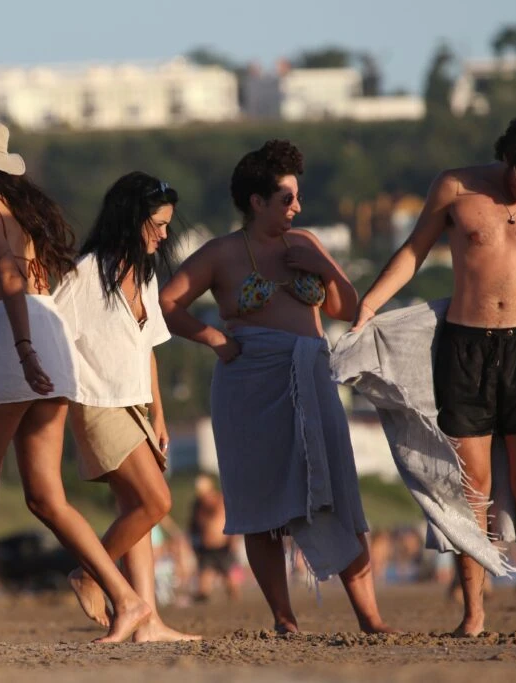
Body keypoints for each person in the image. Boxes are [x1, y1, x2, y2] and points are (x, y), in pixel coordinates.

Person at [0, 118, 150, 643]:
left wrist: (21, 348)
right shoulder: (17, 211)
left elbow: (6, 273)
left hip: (13, 334)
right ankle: (127, 598)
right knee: (46, 498)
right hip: (50, 333)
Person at [351, 114, 516, 636]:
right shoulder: (455, 187)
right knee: (471, 488)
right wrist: (370, 305)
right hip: (465, 348)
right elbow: (413, 252)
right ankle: (473, 613)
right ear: (507, 156)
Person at [159, 140, 392, 634]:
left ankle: (370, 619)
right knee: (259, 504)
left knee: (341, 495)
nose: (296, 207)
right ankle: (284, 619)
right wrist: (215, 339)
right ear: (256, 201)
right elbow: (168, 303)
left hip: (311, 372)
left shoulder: (304, 243)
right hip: (248, 382)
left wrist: (324, 269)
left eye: (297, 197)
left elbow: (345, 308)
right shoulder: (222, 252)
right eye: (286, 198)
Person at [53, 171, 200, 642]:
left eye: (167, 225)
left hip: (136, 406)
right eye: (156, 224)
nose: (163, 234)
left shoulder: (147, 275)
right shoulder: (85, 274)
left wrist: (158, 415)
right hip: (97, 404)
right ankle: (89, 574)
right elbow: (51, 332)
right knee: (157, 502)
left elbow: (148, 349)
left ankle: (147, 621)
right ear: (130, 219)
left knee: (136, 506)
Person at [189, 474, 241, 602]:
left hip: (223, 547)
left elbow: (232, 520)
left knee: (232, 585)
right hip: (206, 549)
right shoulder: (197, 506)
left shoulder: (221, 501)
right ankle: (202, 599)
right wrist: (194, 545)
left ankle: (234, 604)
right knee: (203, 589)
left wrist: (233, 541)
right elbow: (193, 526)